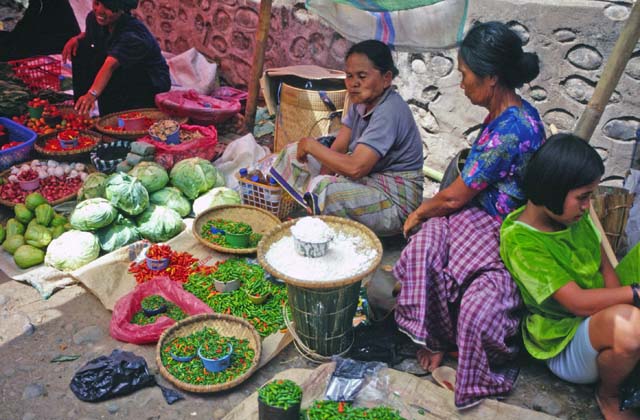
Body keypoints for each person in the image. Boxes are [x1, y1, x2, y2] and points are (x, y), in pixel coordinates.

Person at [393, 21, 546, 408]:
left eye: (465, 76)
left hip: (499, 228)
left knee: (471, 290)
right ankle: (435, 338)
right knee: (423, 250)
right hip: (473, 218)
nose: (461, 84)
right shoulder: (502, 115)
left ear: (491, 77)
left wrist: (418, 213)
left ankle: (463, 355)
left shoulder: (513, 129)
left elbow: (452, 199)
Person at [500, 134, 640, 420]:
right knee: (631, 328)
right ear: (552, 190)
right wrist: (634, 296)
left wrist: (623, 304)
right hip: (564, 340)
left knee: (628, 320)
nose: (589, 206)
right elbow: (576, 303)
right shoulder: (521, 241)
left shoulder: (574, 216)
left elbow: (604, 266)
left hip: (598, 318)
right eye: (583, 197)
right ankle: (609, 394)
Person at [269, 39, 424, 236]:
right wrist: (320, 177)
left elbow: (356, 168)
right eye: (349, 76)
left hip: (394, 203)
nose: (354, 83)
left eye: (362, 76)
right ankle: (311, 206)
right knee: (294, 154)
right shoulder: (360, 103)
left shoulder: (389, 111)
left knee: (323, 187)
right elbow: (338, 148)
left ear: (386, 79)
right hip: (370, 182)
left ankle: (320, 217)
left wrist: (311, 148)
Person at [62, 0, 170, 116]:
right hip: (118, 69)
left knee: (113, 83)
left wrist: (92, 94)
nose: (99, 11)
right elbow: (90, 36)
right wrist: (77, 39)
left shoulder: (133, 35)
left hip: (148, 82)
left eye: (107, 8)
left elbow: (110, 65)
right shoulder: (94, 19)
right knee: (81, 47)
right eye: (97, 4)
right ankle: (81, 108)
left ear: (121, 10)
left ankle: (114, 114)